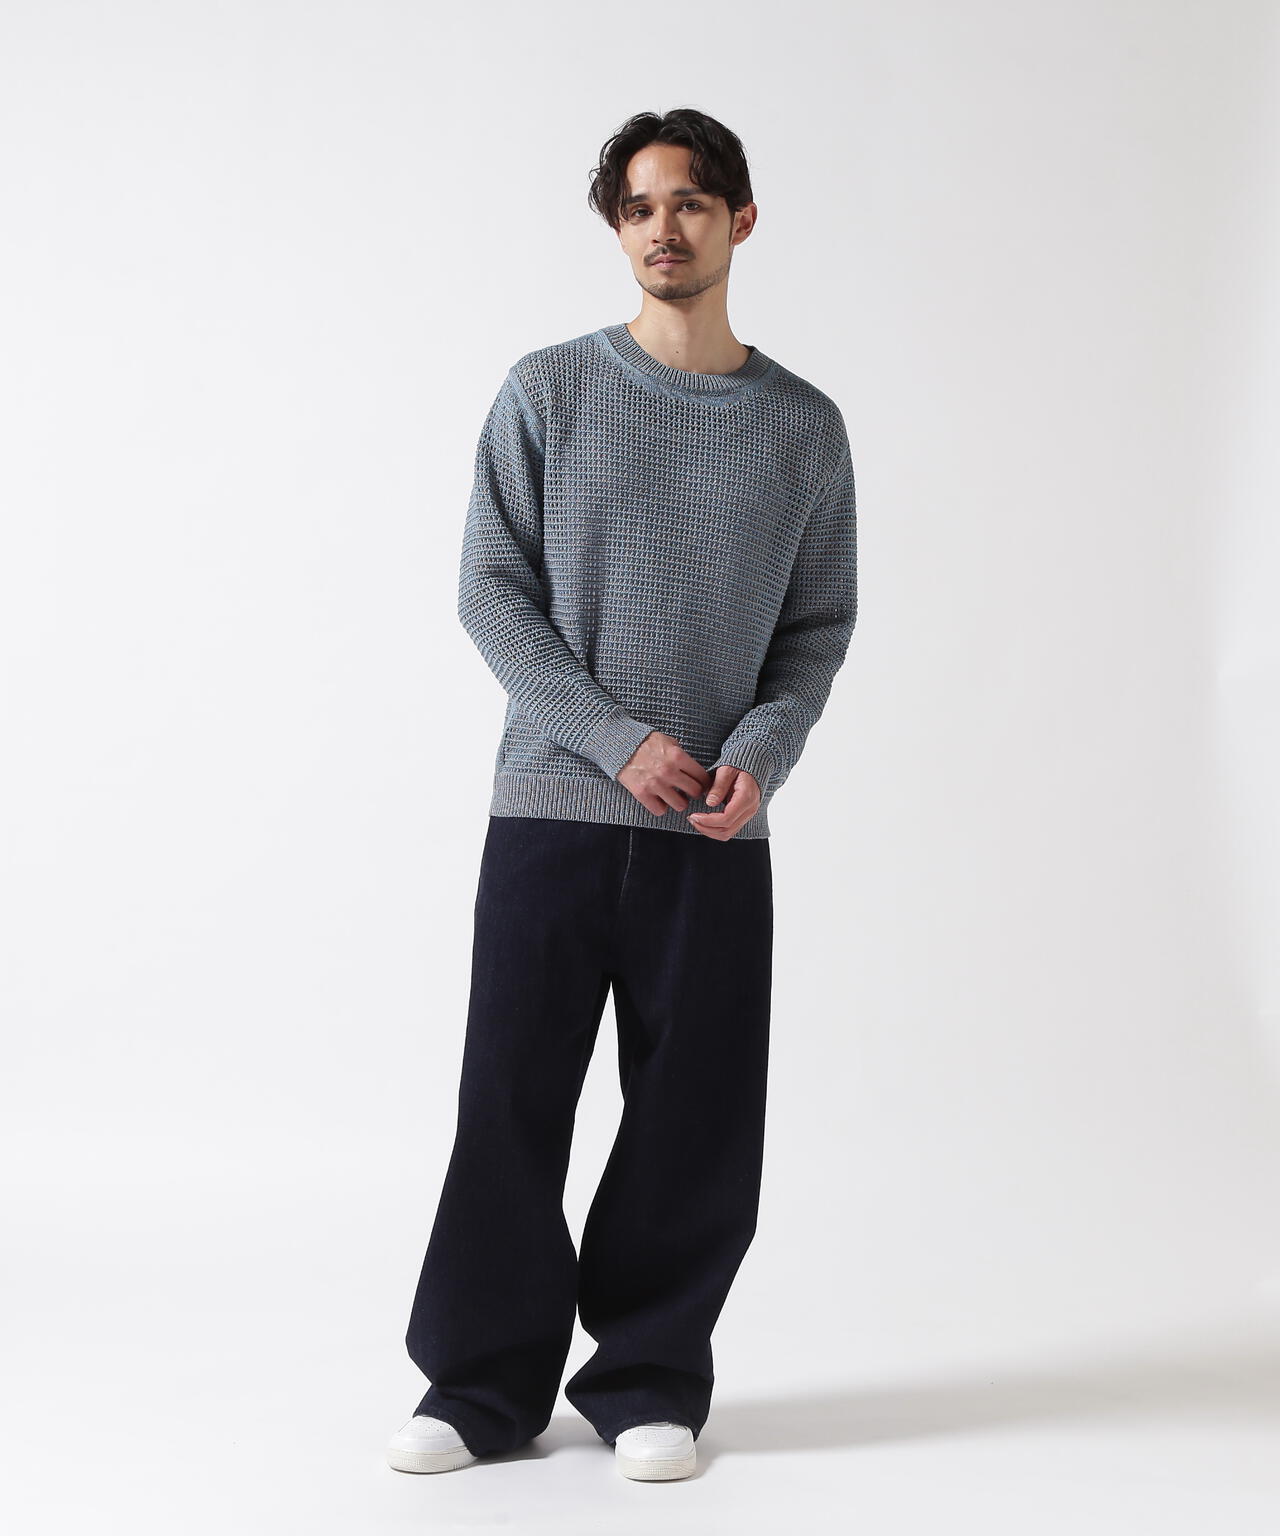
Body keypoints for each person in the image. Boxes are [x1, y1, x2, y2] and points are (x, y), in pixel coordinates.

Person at [387, 104, 857, 1483]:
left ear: (740, 222)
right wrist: (609, 738)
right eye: (642, 206)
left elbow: (817, 624)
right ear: (616, 226)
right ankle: (479, 1387)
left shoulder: (802, 428)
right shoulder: (548, 392)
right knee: (510, 1100)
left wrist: (763, 748)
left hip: (714, 823)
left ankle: (650, 1378)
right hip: (553, 810)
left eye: (693, 203)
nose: (666, 228)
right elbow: (490, 591)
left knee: (695, 1114)